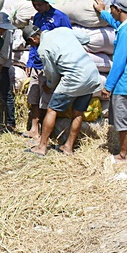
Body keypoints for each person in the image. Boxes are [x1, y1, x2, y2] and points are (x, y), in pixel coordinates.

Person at [23, 25, 102, 156]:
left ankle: (42, 147)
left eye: (31, 44)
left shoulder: (43, 48)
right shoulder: (62, 31)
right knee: (78, 112)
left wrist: (48, 85)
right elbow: (86, 38)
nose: (33, 47)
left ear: (33, 39)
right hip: (92, 75)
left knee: (52, 109)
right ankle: (68, 147)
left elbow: (52, 74)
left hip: (74, 77)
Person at [93, 0, 127, 161]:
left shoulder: (125, 33)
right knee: (124, 120)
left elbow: (119, 63)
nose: (111, 11)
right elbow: (116, 23)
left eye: (111, 8)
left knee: (123, 122)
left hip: (124, 84)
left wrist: (108, 86)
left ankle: (123, 154)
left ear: (118, 9)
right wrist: (103, 12)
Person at [23, 0, 72, 140]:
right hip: (37, 64)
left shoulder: (60, 18)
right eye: (34, 4)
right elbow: (32, 41)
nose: (37, 7)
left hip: (50, 65)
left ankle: (44, 133)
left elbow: (68, 39)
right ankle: (33, 129)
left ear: (46, 3)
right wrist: (30, 61)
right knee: (34, 96)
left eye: (39, 4)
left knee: (46, 99)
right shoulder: (37, 17)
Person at [0, 12, 17, 132]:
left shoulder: (7, 32)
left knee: (6, 93)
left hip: (0, 66)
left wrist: (0, 62)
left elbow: (6, 49)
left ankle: (11, 122)